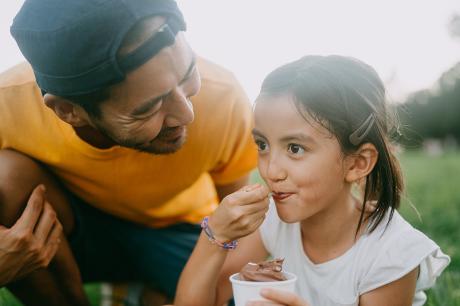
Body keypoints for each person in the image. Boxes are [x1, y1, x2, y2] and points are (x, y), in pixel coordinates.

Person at [0, 0, 257, 305]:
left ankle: (147, 291)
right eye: (150, 107)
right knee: (5, 177)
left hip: (176, 231)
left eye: (188, 73)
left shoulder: (224, 98)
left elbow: (240, 223)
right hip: (73, 235)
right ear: (68, 111)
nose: (186, 114)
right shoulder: (7, 105)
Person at [174, 55, 450, 306]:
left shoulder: (391, 254)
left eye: (295, 148)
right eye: (262, 145)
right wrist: (215, 235)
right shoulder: (274, 221)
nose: (271, 171)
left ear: (357, 163)